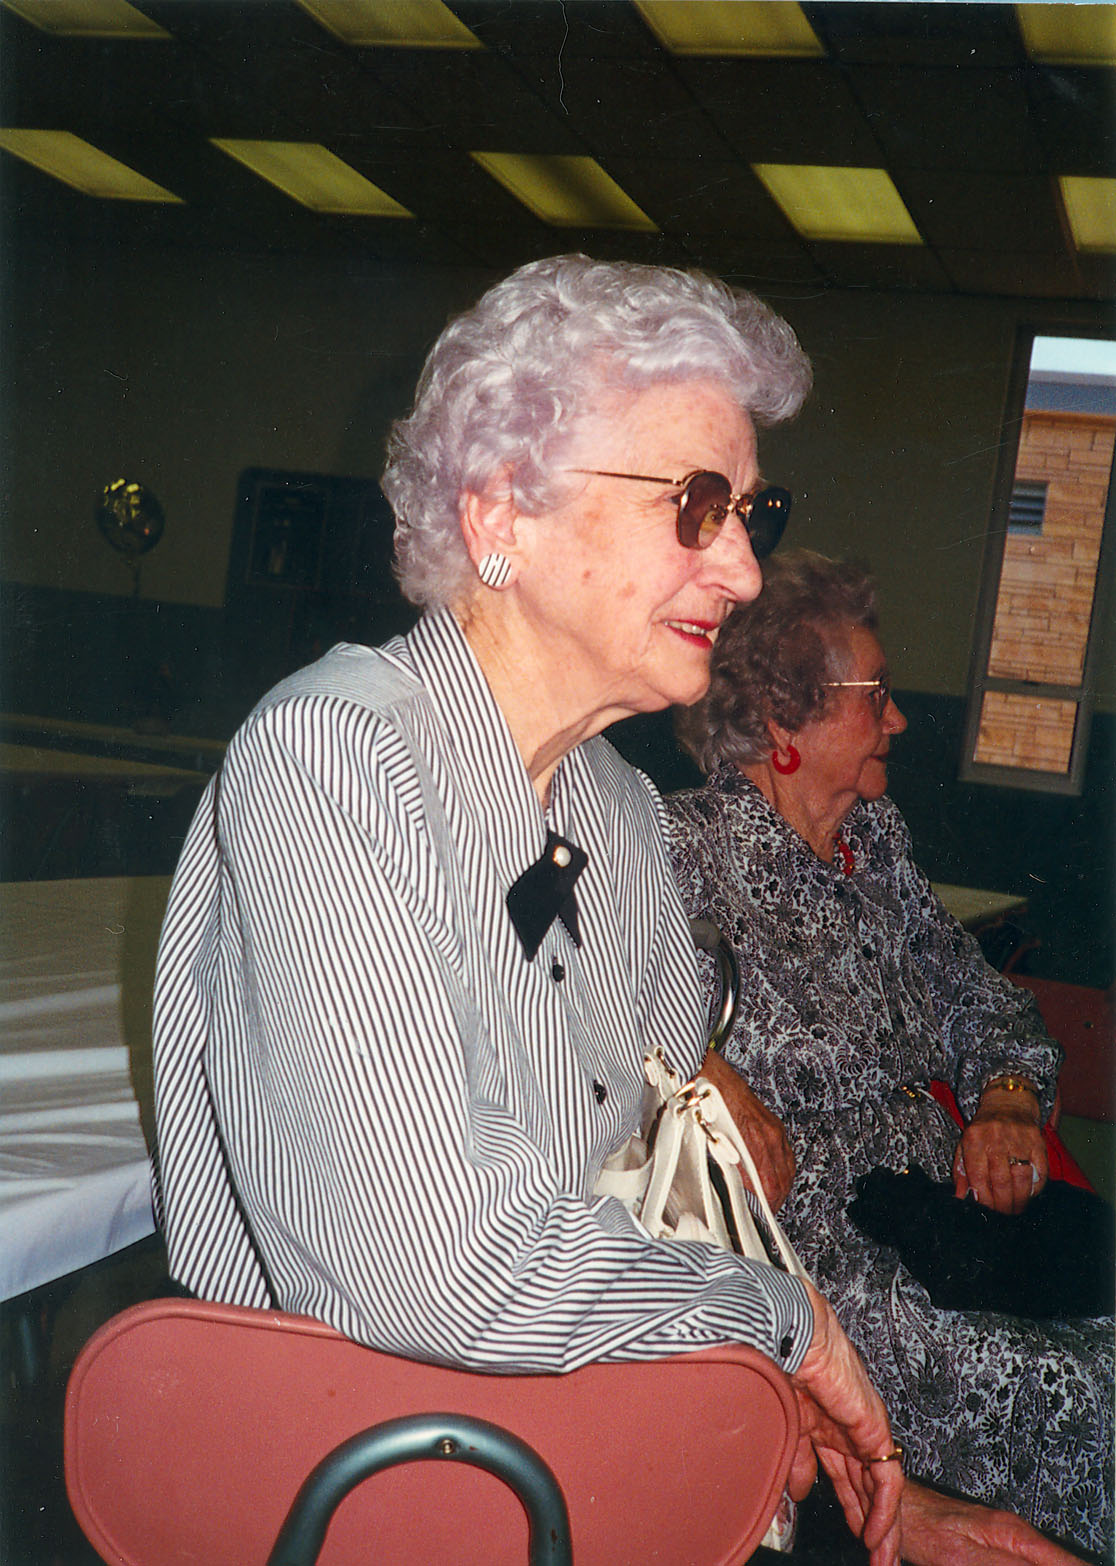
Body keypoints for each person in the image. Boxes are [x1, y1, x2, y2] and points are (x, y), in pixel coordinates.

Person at [152, 257, 904, 1562]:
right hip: (381, 1468)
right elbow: (445, 1268)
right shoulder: (335, 759)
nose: (740, 569)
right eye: (697, 506)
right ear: (503, 508)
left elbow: (652, 1181)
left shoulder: (615, 804)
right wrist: (780, 1326)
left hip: (560, 1421)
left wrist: (763, 1407)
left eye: (751, 512)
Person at [667, 548, 1114, 1562]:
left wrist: (1006, 1100)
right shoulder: (678, 851)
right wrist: (706, 1059)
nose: (901, 720)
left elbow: (982, 998)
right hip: (823, 1256)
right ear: (783, 723)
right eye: (876, 697)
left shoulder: (877, 845)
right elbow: (613, 1006)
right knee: (1081, 1390)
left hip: (945, 1216)